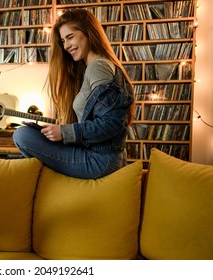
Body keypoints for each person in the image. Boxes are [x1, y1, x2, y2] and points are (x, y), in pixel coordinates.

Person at [13, 9, 135, 179]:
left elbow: (111, 123)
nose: (66, 46)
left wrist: (65, 132)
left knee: (22, 135)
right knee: (27, 133)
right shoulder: (90, 68)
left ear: (88, 33)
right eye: (63, 41)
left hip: (100, 160)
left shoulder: (98, 67)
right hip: (98, 155)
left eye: (70, 37)